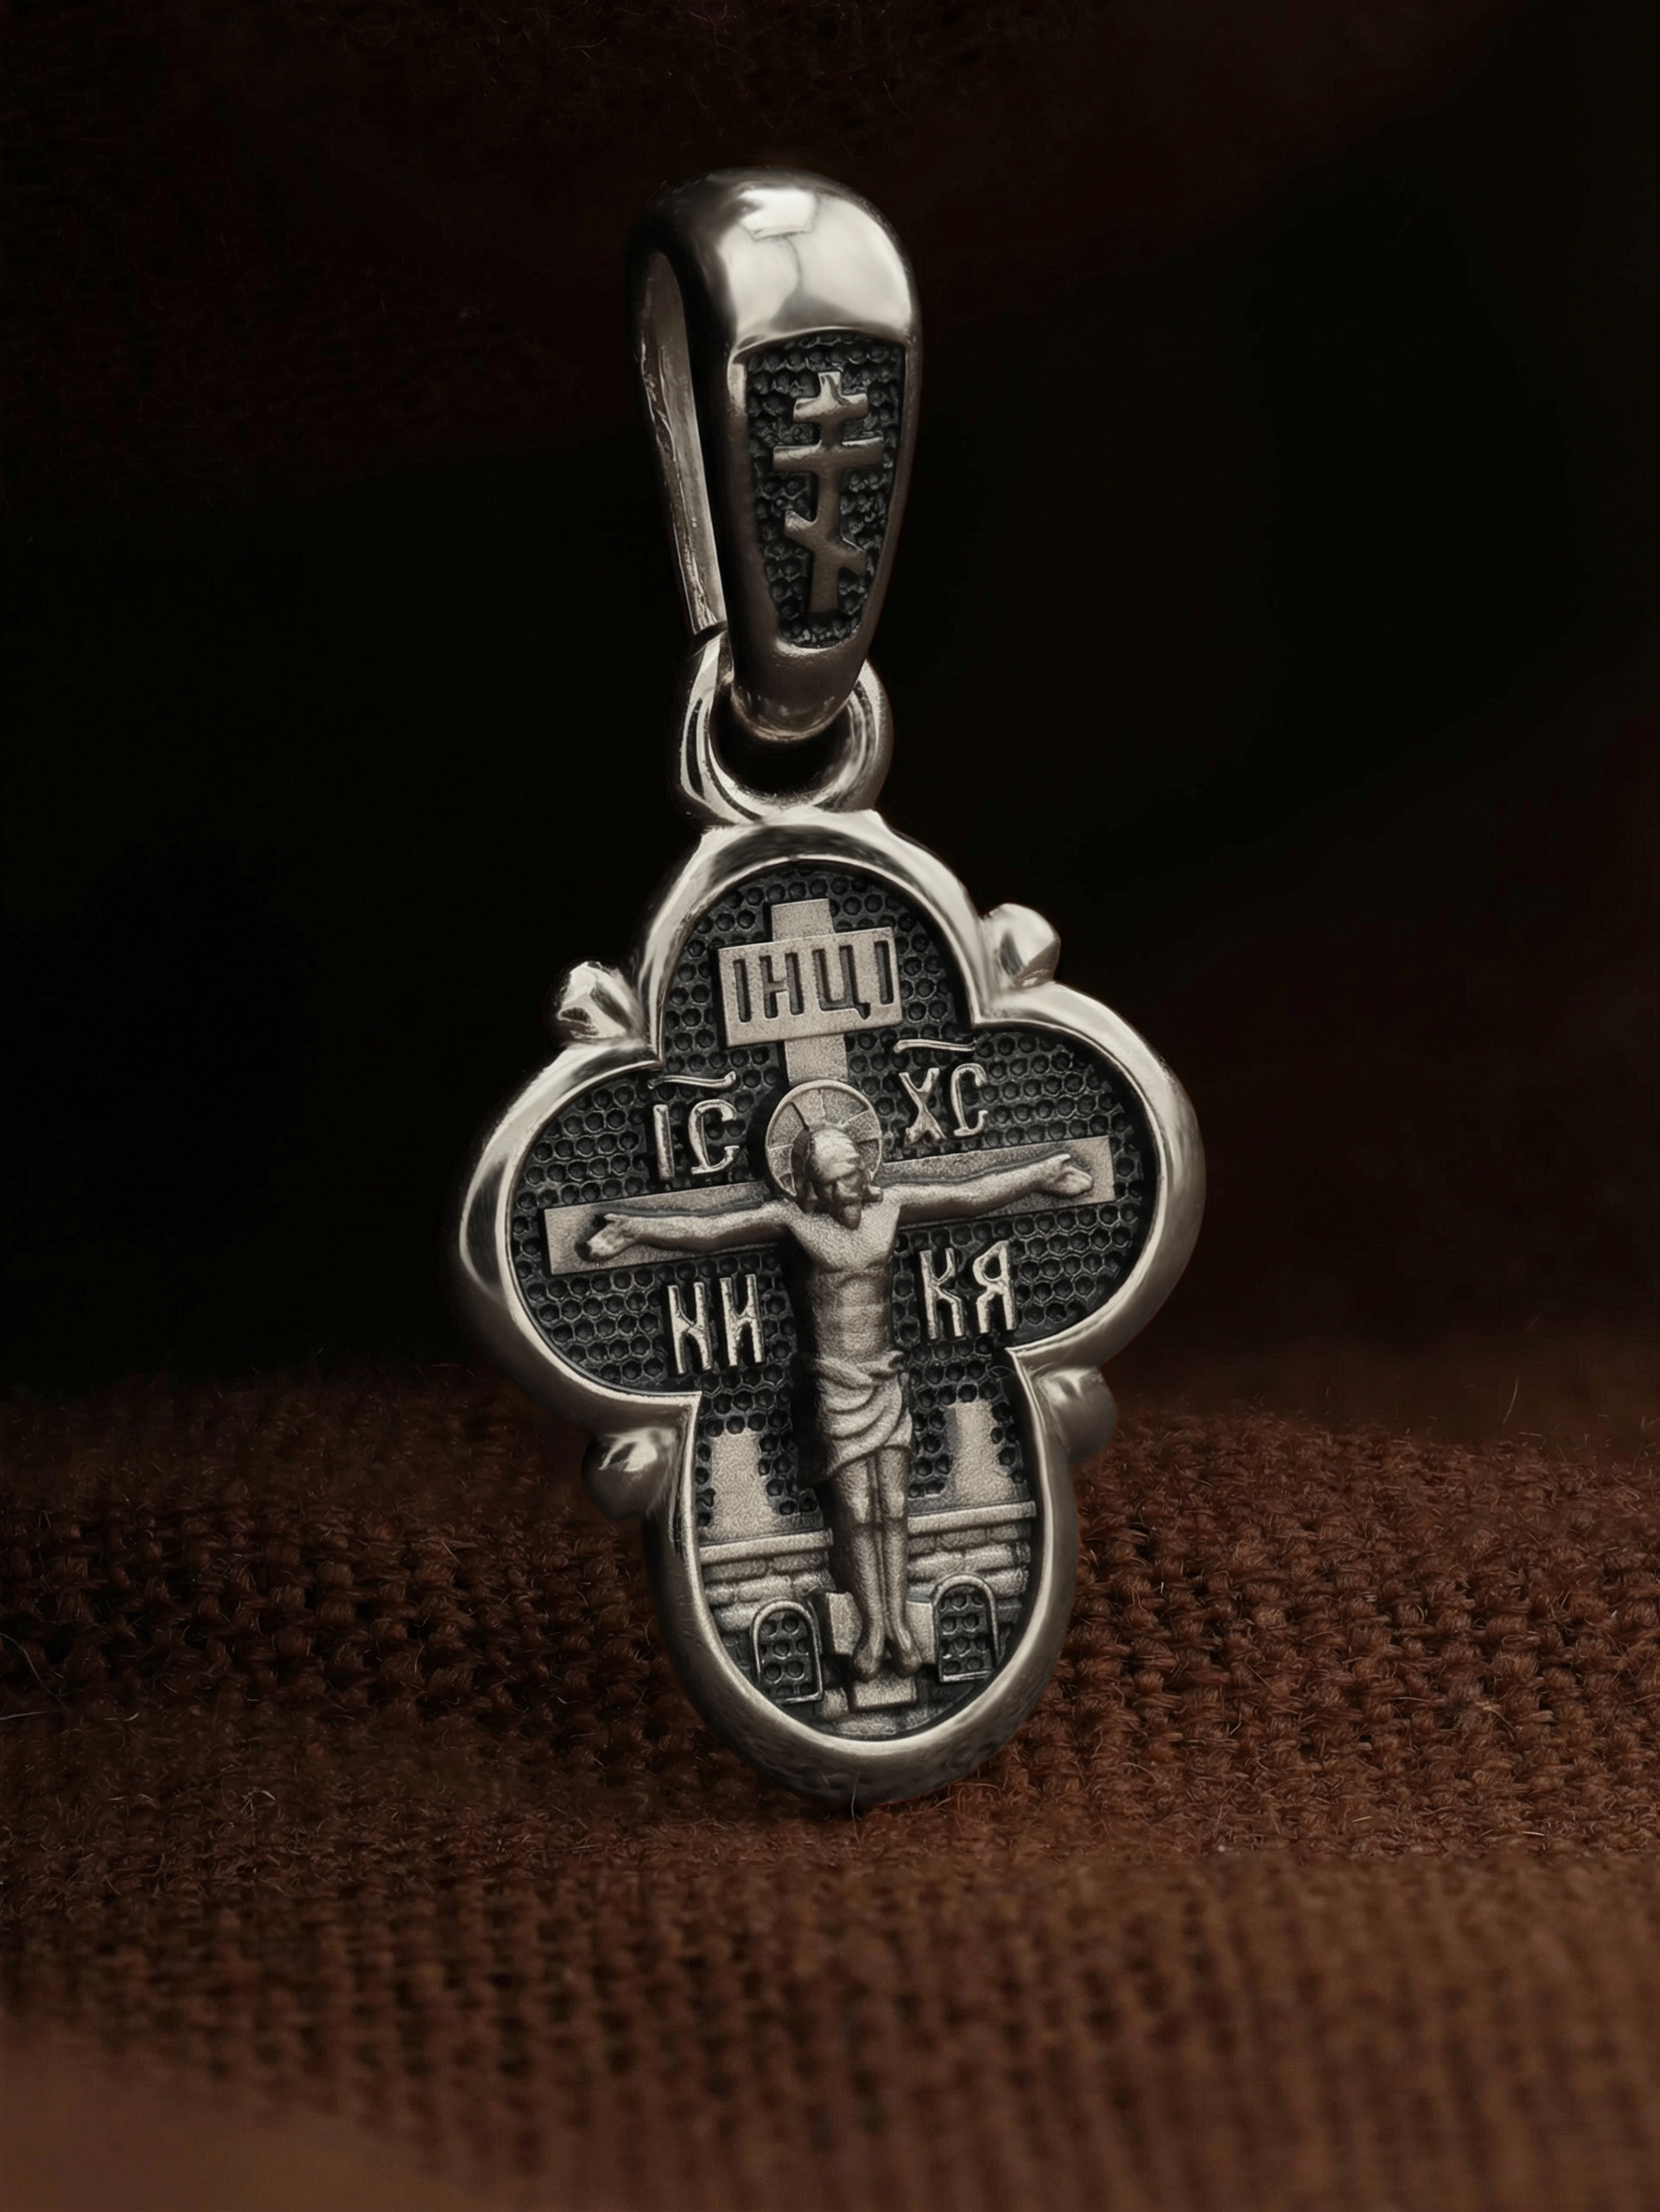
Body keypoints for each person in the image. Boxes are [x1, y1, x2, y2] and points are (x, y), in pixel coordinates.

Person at [585, 1120, 1090, 1682]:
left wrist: (1040, 1174)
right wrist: (637, 1227)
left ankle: (899, 1624)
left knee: (893, 1507)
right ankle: (872, 1626)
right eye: (829, 1182)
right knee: (855, 1511)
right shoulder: (794, 1222)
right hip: (833, 1385)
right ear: (810, 1186)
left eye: (849, 1176)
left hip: (884, 1378)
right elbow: (711, 1230)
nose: (843, 1190)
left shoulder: (890, 1205)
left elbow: (970, 1193)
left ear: (863, 1170)